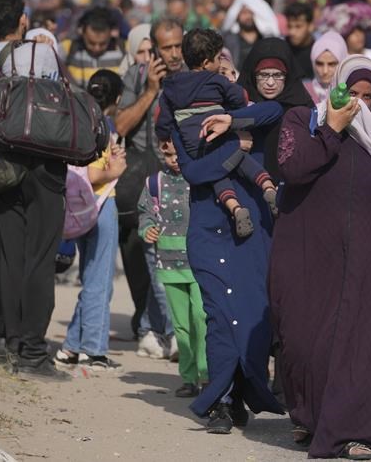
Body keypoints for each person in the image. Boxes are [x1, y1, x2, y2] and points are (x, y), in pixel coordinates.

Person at [270, 54, 371, 459]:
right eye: (350, 93)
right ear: (334, 89)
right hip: (305, 257)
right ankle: (309, 414)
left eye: (366, 96)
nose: (356, 103)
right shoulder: (302, 122)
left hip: (365, 262)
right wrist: (332, 131)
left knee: (360, 349)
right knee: (303, 344)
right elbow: (293, 170)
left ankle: (357, 432)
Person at [168, 92, 286, 434]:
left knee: (250, 317)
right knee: (219, 316)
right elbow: (194, 171)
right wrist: (236, 150)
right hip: (209, 231)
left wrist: (233, 123)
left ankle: (238, 397)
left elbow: (276, 109)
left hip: (252, 235)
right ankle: (219, 402)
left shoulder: (250, 117)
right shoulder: (189, 124)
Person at [0, 0, 69, 381]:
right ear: (23, 19)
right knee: (40, 257)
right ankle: (33, 353)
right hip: (44, 162)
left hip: (2, 163)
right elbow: (58, 94)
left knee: (11, 255)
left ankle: (10, 343)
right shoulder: (42, 53)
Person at [155, 29, 279, 236]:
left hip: (195, 148)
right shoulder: (215, 80)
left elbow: (163, 122)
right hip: (220, 137)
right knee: (241, 160)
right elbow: (239, 99)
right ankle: (268, 187)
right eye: (217, 59)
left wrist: (165, 134)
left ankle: (236, 208)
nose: (219, 64)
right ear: (206, 63)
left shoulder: (171, 87)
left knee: (217, 176)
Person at [115, 17, 184, 355]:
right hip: (147, 186)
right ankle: (155, 329)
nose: (173, 54)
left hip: (183, 183)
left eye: (177, 46)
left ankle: (166, 330)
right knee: (150, 258)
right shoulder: (136, 77)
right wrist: (151, 91)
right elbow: (121, 125)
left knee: (176, 260)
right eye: (166, 47)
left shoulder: (193, 77)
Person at [55, 69, 127, 373]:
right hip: (101, 204)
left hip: (73, 207)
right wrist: (116, 169)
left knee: (93, 280)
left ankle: (71, 345)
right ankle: (94, 352)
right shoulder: (103, 124)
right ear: (118, 99)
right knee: (98, 281)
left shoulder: (76, 120)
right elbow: (95, 173)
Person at [139, 140, 208, 397]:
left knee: (202, 317)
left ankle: (207, 374)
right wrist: (147, 229)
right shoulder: (154, 183)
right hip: (168, 263)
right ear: (161, 150)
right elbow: (145, 212)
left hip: (199, 262)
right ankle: (189, 378)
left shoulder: (201, 177)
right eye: (169, 154)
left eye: (180, 154)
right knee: (180, 325)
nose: (175, 159)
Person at [235, 38, 315, 175]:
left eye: (278, 75)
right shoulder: (239, 107)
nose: (270, 83)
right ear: (253, 75)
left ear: (288, 75)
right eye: (263, 75)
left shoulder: (302, 109)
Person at [61, 7, 125, 85]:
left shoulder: (124, 48)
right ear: (82, 32)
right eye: (91, 43)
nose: (96, 48)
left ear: (111, 34)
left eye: (103, 44)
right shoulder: (68, 47)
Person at [221, 0, 281, 70]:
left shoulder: (267, 39)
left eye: (251, 13)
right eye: (244, 13)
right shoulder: (228, 40)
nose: (248, 16)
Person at [302, 31, 348, 105]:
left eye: (332, 64)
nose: (325, 71)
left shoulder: (353, 92)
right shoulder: (302, 91)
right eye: (319, 64)